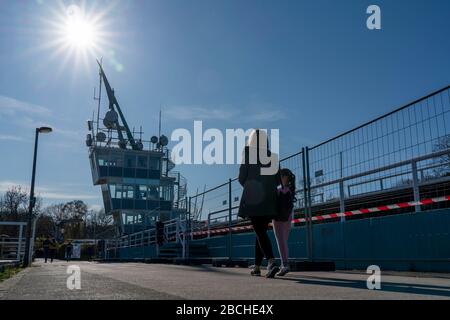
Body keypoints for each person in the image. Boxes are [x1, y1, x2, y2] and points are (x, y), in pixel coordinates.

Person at [238, 129, 280, 278]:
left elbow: (241, 177)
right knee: (260, 232)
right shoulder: (272, 156)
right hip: (270, 199)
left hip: (254, 199)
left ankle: (271, 261)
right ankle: (256, 267)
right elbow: (277, 180)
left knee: (259, 231)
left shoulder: (248, 153)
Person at [272, 168, 296, 276]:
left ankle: (285, 264)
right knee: (284, 241)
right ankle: (284, 263)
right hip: (288, 217)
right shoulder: (291, 190)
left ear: (283, 177)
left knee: (280, 241)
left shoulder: (278, 190)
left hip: (278, 218)